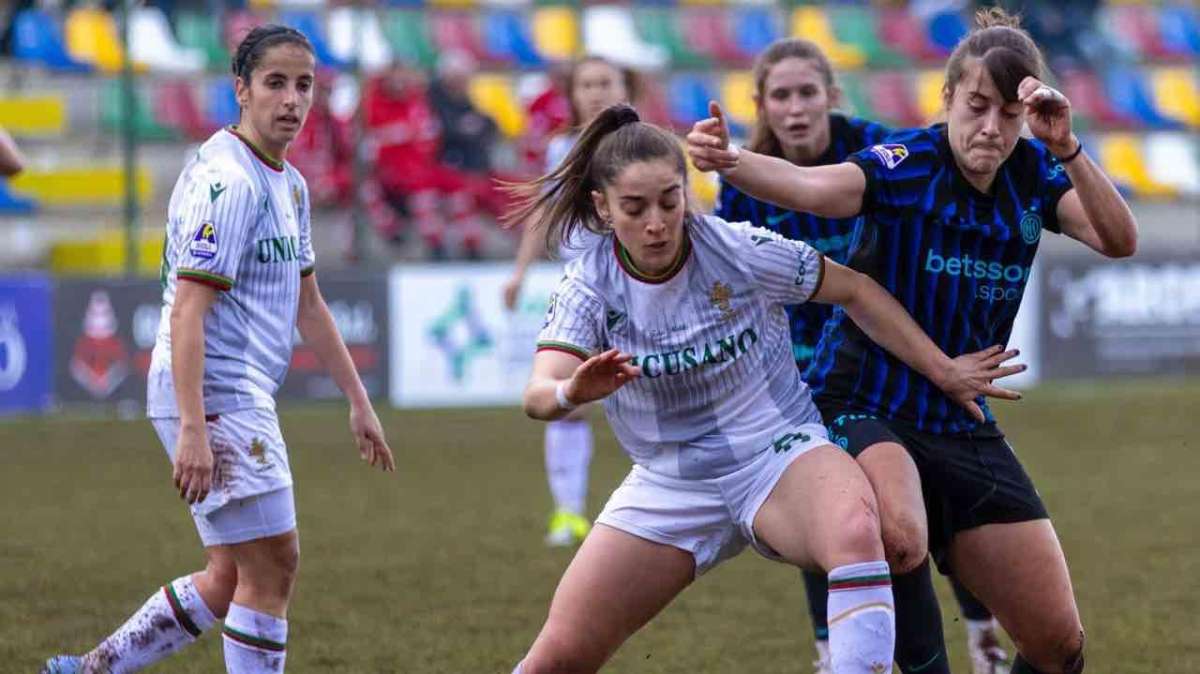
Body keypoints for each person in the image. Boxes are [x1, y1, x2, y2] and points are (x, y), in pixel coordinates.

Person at [687, 9, 1137, 674]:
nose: (991, 128)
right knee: (899, 535)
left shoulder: (1034, 173)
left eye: (1009, 114)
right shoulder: (909, 161)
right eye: (977, 106)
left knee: (1058, 647)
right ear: (948, 97)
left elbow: (1118, 240)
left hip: (959, 416)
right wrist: (732, 160)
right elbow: (815, 188)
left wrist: (1067, 147)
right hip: (868, 399)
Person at [507, 103, 1026, 674]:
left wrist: (942, 368)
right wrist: (572, 392)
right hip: (670, 481)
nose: (656, 222)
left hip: (777, 454)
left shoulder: (739, 249)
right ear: (603, 207)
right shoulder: (588, 283)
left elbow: (856, 290)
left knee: (858, 530)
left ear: (688, 193)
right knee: (557, 657)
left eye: (670, 201)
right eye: (634, 208)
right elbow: (539, 392)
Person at [41, 25, 395, 674]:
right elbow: (187, 310)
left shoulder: (289, 184)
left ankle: (90, 669)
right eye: (275, 83)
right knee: (275, 566)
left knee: (230, 575)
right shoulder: (229, 182)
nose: (292, 99)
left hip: (229, 392)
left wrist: (358, 401)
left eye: (304, 85)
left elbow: (309, 304)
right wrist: (194, 430)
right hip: (216, 391)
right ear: (241, 89)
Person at [718, 37, 1009, 674]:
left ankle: (982, 632)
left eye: (807, 91)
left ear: (831, 94)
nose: (796, 107)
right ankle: (832, 650)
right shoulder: (745, 183)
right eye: (781, 95)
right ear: (762, 105)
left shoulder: (877, 151)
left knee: (936, 506)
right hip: (802, 376)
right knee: (829, 505)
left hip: (887, 362)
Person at [501, 55, 636, 547]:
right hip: (585, 294)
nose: (597, 92)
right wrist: (520, 272)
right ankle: (568, 513)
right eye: (587, 84)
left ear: (623, 87)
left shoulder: (644, 145)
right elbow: (544, 214)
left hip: (643, 289)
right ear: (574, 94)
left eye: (606, 82)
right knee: (567, 399)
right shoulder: (563, 148)